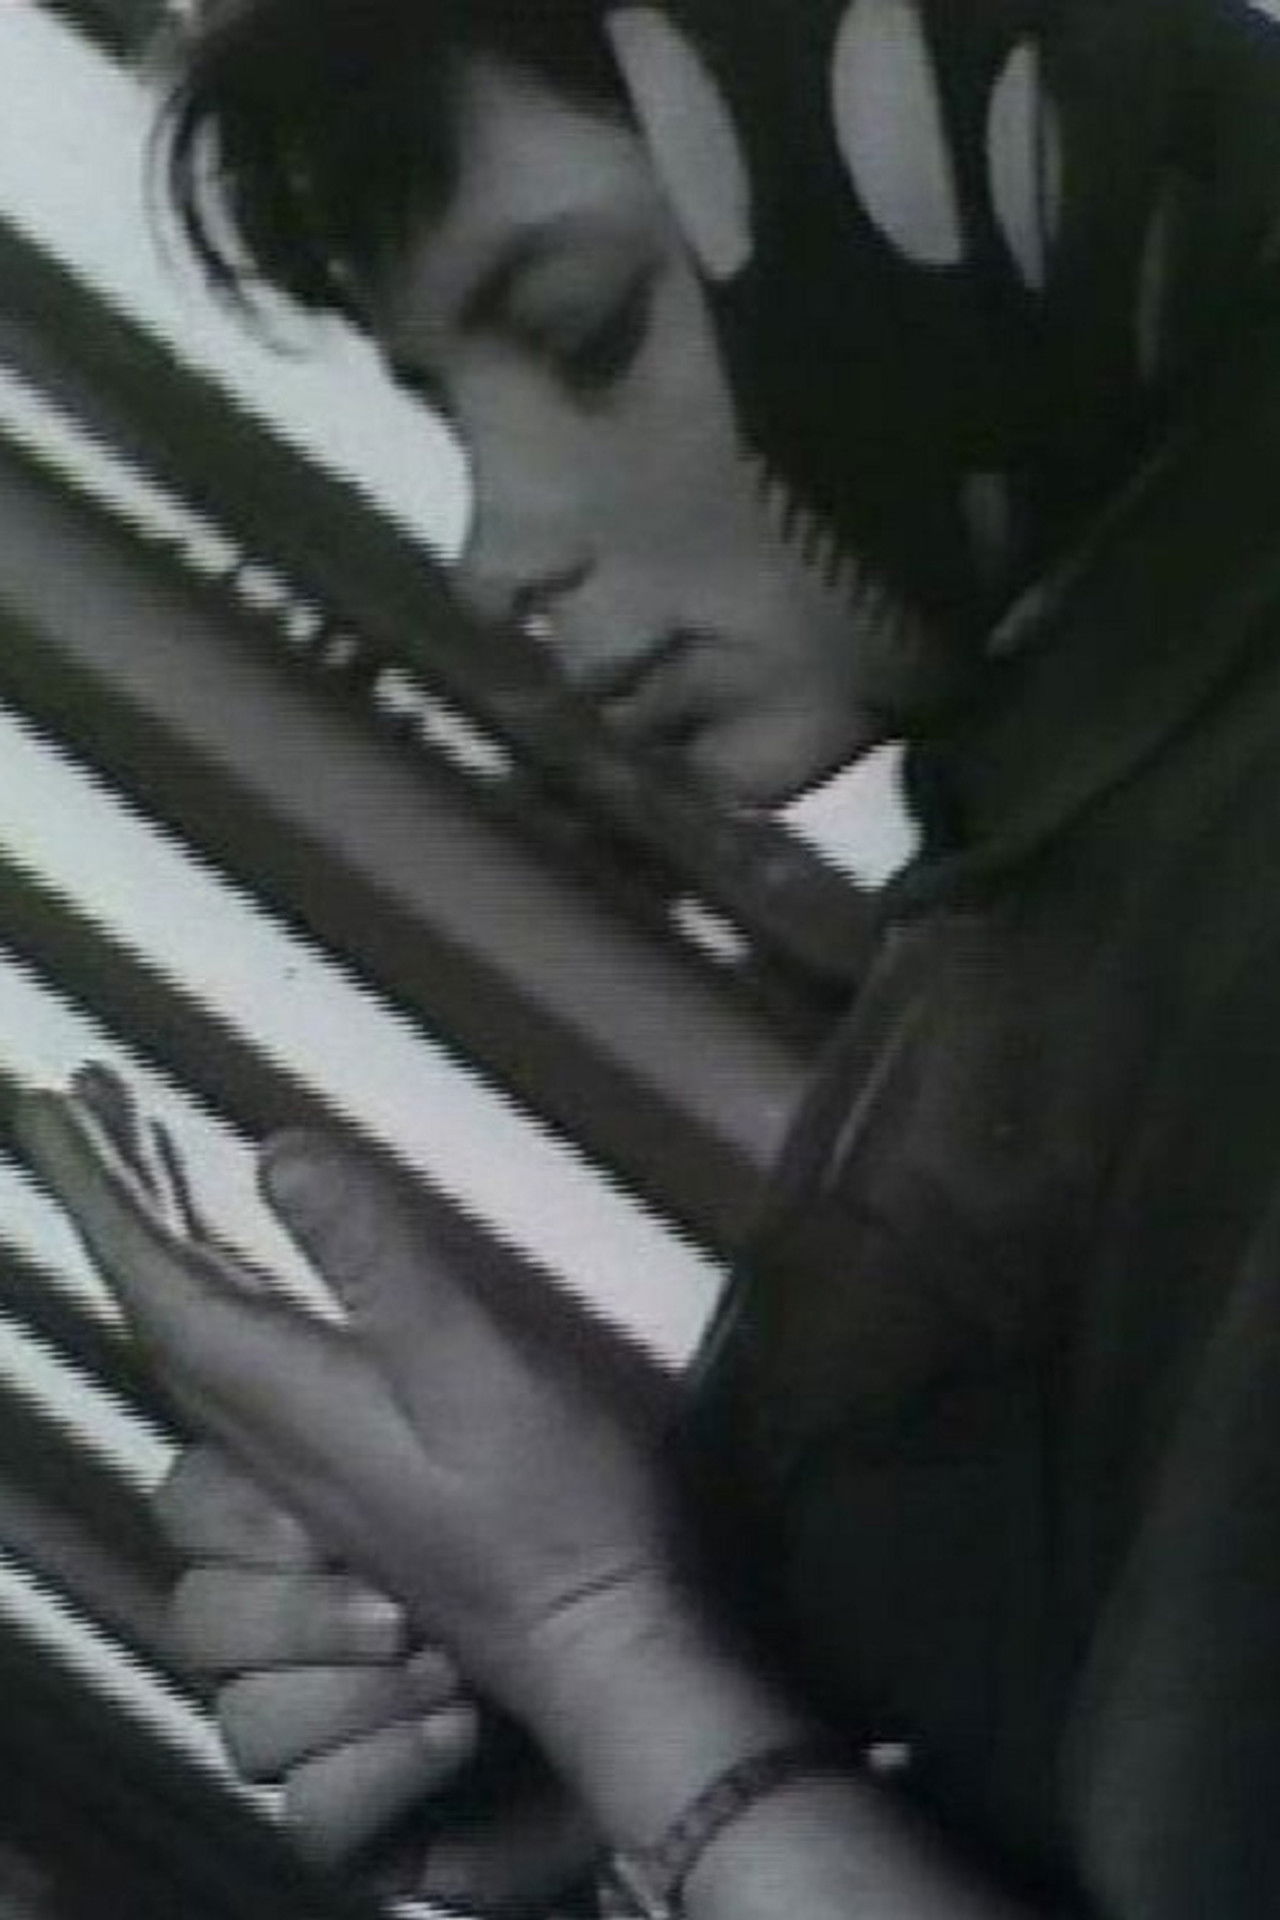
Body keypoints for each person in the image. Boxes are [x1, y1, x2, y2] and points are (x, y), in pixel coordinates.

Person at [18, 0, 1280, 1914]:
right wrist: (596, 1680)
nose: (496, 548)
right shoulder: (1049, 852)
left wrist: (603, 1647)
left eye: (584, 332)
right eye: (447, 401)